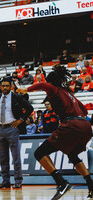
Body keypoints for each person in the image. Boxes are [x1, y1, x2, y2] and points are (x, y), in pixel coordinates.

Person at [17, 65, 93, 199]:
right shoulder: (69, 93)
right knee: (72, 154)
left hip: (72, 125)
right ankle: (91, 186)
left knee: (39, 153)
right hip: (86, 126)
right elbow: (85, 111)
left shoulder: (54, 90)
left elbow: (43, 85)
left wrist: (25, 89)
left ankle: (61, 182)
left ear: (51, 82)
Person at [0, 78, 33, 189]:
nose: (4, 88)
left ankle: (18, 180)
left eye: (7, 86)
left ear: (11, 86)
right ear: (0, 87)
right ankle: (5, 181)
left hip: (12, 129)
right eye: (3, 86)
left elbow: (30, 108)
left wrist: (20, 120)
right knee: (3, 157)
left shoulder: (16, 97)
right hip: (0, 128)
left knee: (15, 156)